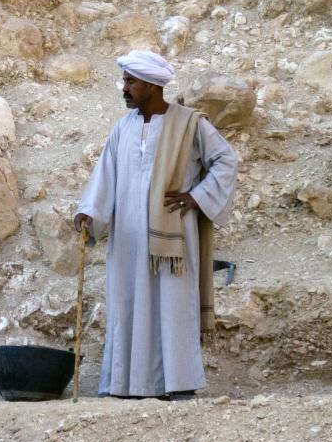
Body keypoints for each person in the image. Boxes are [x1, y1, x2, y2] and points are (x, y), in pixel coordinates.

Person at [74, 51, 239, 400]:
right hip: (128, 242)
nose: (125, 88)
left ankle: (176, 384)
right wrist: (90, 213)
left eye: (130, 81)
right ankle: (126, 385)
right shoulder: (122, 128)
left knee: (172, 306)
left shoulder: (189, 124)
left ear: (151, 85)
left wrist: (197, 197)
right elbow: (105, 177)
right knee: (128, 304)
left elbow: (226, 160)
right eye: (125, 81)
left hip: (173, 240)